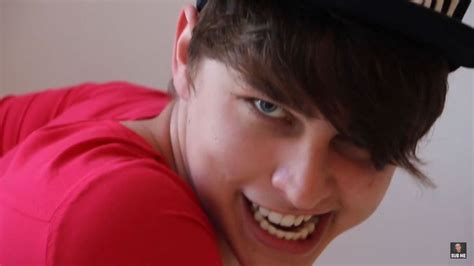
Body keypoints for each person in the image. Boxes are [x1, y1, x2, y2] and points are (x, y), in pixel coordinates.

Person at [0, 0, 473, 265]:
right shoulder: (118, 217)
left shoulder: (129, 112)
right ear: (186, 52)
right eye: (268, 107)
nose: (303, 191)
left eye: (361, 138)